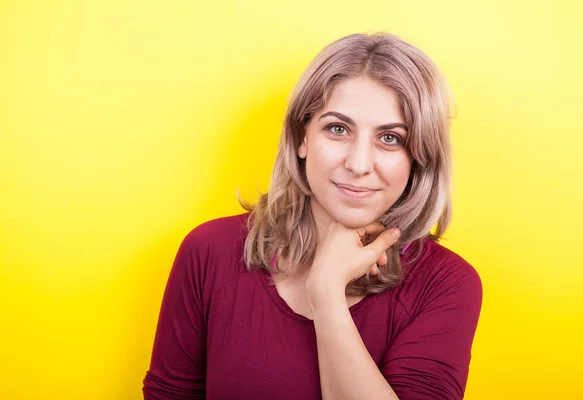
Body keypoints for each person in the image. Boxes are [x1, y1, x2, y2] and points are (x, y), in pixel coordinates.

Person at [142, 32, 483, 400]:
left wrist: (327, 294)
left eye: (390, 139)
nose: (358, 164)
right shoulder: (210, 251)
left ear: (419, 156)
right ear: (302, 137)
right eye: (338, 129)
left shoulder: (447, 284)